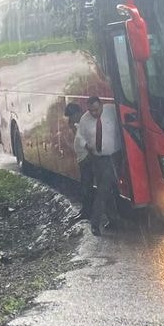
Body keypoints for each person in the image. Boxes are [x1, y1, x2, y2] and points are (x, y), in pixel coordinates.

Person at [74, 95, 123, 235]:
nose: (94, 113)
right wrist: (87, 149)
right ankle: (114, 220)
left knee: (103, 189)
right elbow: (80, 138)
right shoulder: (85, 119)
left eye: (96, 109)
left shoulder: (112, 110)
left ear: (101, 105)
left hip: (114, 156)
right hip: (97, 158)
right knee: (106, 191)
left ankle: (94, 223)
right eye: (91, 111)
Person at [63, 102, 90, 221]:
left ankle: (88, 212)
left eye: (71, 116)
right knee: (85, 187)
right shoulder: (78, 124)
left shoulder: (85, 125)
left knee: (87, 187)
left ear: (78, 114)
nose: (70, 120)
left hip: (88, 159)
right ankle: (86, 211)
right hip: (83, 159)